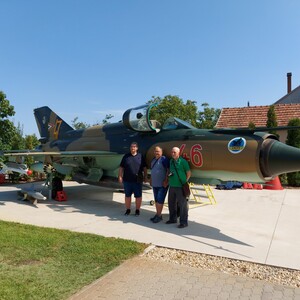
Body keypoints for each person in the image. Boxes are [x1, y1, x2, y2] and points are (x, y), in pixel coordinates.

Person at [118, 142, 147, 216]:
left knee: (138, 196)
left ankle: (137, 210)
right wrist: (120, 176)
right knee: (127, 195)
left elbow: (144, 168)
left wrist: (145, 177)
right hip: (127, 180)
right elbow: (121, 167)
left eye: (134, 147)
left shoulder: (140, 156)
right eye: (131, 146)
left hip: (138, 180)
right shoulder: (126, 156)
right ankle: (128, 210)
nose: (132, 148)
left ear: (137, 148)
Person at [166, 147, 191, 228]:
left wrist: (184, 181)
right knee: (171, 203)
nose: (173, 154)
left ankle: (183, 222)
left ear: (178, 153)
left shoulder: (183, 162)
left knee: (183, 205)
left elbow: (188, 173)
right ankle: (173, 219)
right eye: (172, 152)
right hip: (172, 185)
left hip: (180, 186)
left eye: (174, 152)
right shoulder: (171, 161)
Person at [149, 146, 169, 223]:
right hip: (155, 184)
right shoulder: (153, 160)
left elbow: (168, 170)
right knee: (157, 200)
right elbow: (152, 171)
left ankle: (159, 215)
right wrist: (151, 179)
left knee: (160, 201)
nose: (156, 153)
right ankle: (157, 214)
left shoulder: (164, 159)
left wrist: (166, 180)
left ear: (161, 152)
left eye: (158, 151)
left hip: (162, 184)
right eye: (155, 151)